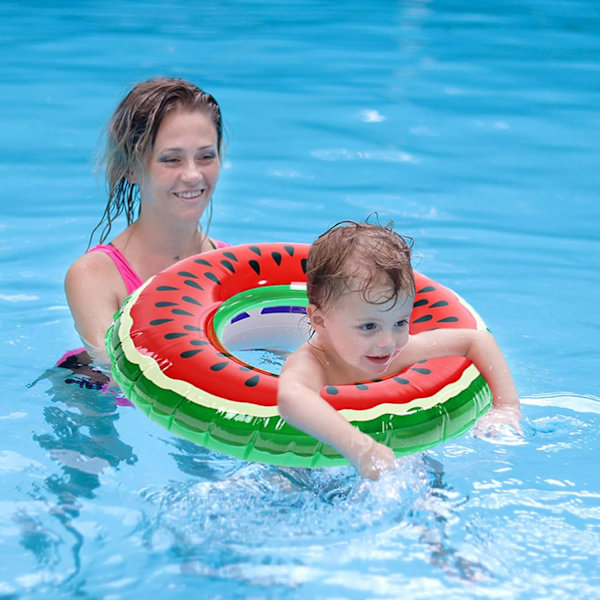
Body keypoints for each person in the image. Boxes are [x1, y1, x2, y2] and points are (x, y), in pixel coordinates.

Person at [277, 221, 522, 481]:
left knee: (428, 479)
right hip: (307, 458)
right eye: (369, 326)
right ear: (319, 320)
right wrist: (362, 450)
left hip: (391, 447)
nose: (387, 341)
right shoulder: (312, 363)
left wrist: (506, 406)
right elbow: (291, 398)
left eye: (400, 323)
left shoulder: (398, 351)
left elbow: (476, 341)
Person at [65, 77, 229, 369]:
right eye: (171, 160)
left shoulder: (233, 267)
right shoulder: (95, 276)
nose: (193, 175)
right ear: (130, 168)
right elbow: (117, 370)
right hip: (94, 392)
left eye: (206, 156)